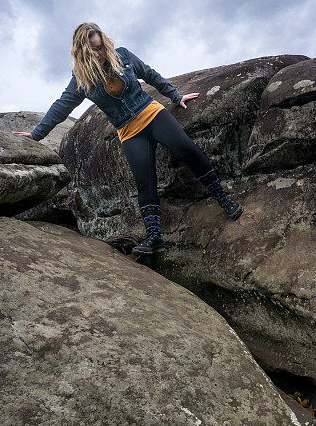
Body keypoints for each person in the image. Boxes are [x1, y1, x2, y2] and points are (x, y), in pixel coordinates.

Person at [14, 22, 242, 255]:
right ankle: (155, 238)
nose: (99, 52)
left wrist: (175, 95)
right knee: (145, 181)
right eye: (94, 49)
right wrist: (36, 134)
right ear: (83, 51)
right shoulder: (81, 79)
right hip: (129, 131)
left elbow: (149, 74)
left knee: (188, 150)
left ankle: (225, 200)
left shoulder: (121, 55)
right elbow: (61, 107)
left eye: (101, 46)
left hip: (151, 113)